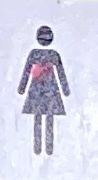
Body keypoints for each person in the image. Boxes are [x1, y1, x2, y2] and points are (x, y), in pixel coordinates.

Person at [17, 23, 72, 157]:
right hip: (49, 89)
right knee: (47, 118)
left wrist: (22, 88)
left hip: (39, 89)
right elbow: (60, 72)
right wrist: (65, 89)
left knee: (40, 117)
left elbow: (27, 71)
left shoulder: (35, 54)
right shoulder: (52, 54)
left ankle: (40, 148)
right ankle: (46, 147)